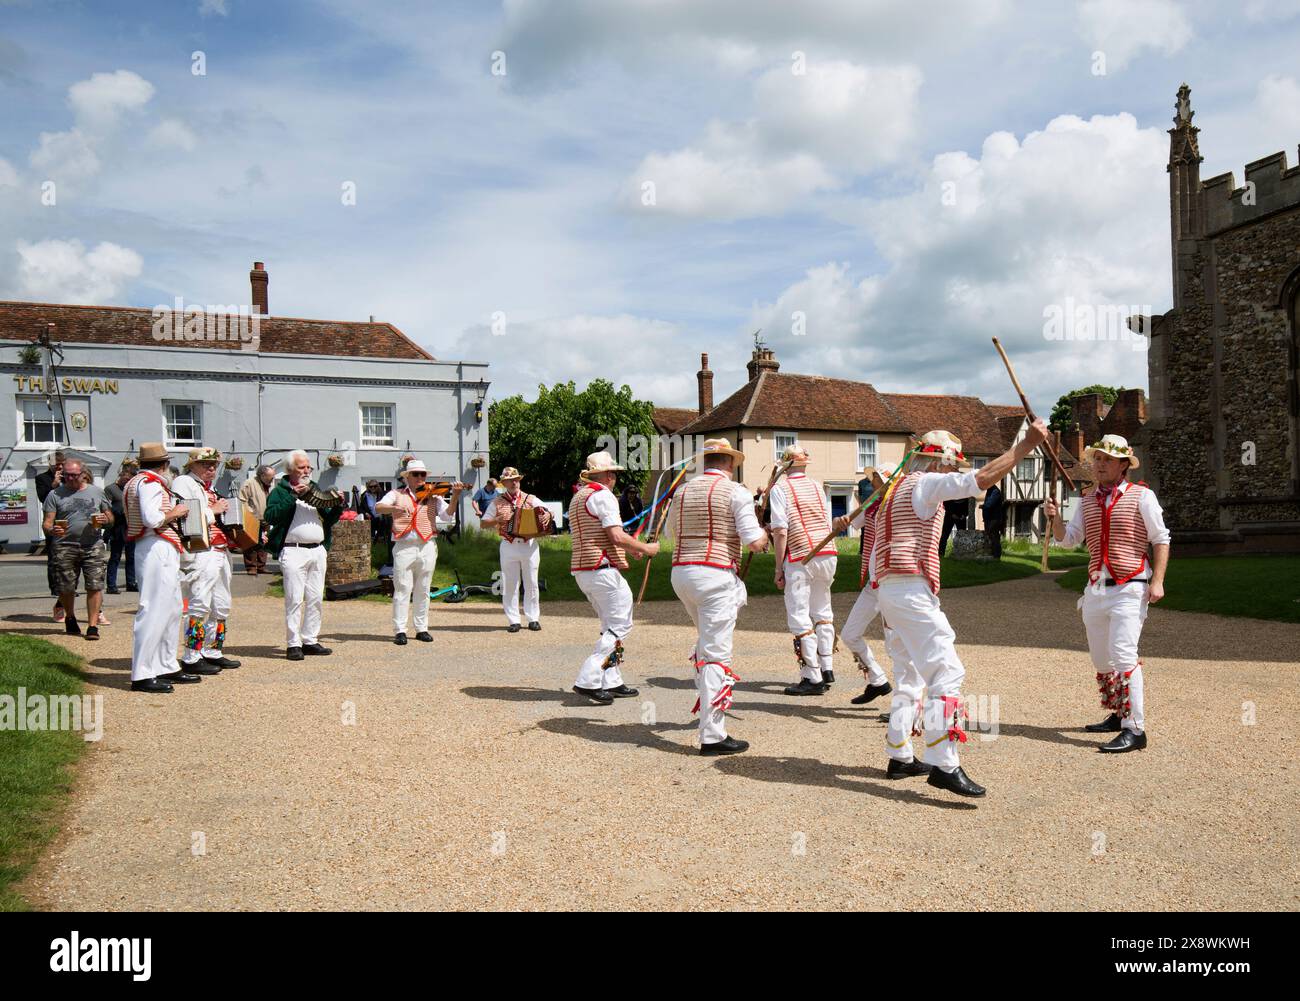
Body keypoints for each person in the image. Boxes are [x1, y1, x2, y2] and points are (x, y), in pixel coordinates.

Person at [872, 422, 1048, 797]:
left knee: (909, 676)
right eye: (952, 467)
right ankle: (943, 762)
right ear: (939, 463)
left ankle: (900, 754)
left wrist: (885, 596)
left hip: (887, 587)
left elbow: (875, 554)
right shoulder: (925, 482)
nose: (953, 474)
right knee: (947, 672)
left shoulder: (893, 491)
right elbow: (981, 480)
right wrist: (1024, 447)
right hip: (909, 588)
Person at [1044, 434, 1169, 754]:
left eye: (1107, 460)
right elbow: (1068, 540)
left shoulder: (1142, 496)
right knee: (1101, 659)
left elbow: (1160, 539)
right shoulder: (1086, 500)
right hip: (1095, 589)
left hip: (1130, 585)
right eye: (1097, 459)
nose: (1099, 465)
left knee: (1124, 654)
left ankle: (1135, 728)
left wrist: (1158, 581)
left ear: (1124, 465)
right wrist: (1054, 518)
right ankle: (1117, 713)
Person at [666, 438, 768, 755]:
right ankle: (712, 734)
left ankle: (708, 710)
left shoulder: (682, 491)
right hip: (714, 574)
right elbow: (752, 540)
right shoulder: (735, 491)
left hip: (681, 572)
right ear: (730, 462)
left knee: (705, 642)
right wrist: (764, 534)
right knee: (715, 653)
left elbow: (671, 532)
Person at [569, 451, 660, 705]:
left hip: (584, 569)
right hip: (601, 570)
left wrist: (632, 549)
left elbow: (602, 535)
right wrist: (645, 548)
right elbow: (617, 536)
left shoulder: (580, 496)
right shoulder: (603, 496)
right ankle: (588, 678)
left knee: (610, 625)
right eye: (614, 474)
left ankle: (612, 678)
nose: (615, 479)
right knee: (620, 626)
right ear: (609, 475)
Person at [125, 443, 199, 692]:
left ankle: (166, 664)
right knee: (154, 608)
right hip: (155, 544)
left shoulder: (138, 481)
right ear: (165, 464)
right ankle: (142, 673)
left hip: (157, 545)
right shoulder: (150, 484)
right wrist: (176, 512)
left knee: (172, 607)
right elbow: (152, 518)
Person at [769, 443, 840, 696]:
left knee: (799, 613)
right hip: (828, 552)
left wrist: (779, 567)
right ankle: (827, 666)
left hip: (801, 555)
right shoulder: (816, 486)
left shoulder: (780, 488)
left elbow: (780, 530)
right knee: (822, 610)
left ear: (785, 465)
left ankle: (812, 675)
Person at [264, 450, 344, 661]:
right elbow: (270, 516)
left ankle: (310, 639)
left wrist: (338, 505)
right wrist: (292, 497)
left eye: (309, 467)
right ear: (290, 470)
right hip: (293, 549)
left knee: (316, 597)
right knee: (294, 598)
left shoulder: (315, 489)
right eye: (302, 467)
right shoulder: (280, 491)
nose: (307, 470)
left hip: (317, 550)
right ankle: (293, 643)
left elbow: (329, 519)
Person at [374, 460, 465, 645]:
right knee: (402, 589)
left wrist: (455, 495)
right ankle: (400, 630)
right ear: (407, 477)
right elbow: (378, 507)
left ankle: (421, 628)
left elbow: (447, 517)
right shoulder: (396, 494)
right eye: (415, 474)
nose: (420, 478)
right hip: (404, 546)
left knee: (423, 589)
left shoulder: (434, 496)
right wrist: (395, 508)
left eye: (423, 474)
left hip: (427, 545)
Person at [173, 448, 241, 673]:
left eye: (214, 465)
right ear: (191, 465)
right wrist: (214, 510)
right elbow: (188, 517)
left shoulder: (209, 488)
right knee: (199, 602)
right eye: (205, 464)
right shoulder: (183, 482)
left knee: (221, 604)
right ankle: (192, 656)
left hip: (220, 550)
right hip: (203, 551)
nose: (211, 468)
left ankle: (213, 650)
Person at [833, 466, 896, 708]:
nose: (874, 483)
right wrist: (839, 522)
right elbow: (849, 522)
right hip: (873, 584)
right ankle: (877, 680)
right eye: (874, 479)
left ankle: (905, 707)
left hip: (892, 583)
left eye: (879, 479)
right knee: (850, 634)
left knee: (895, 645)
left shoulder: (899, 507)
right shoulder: (870, 505)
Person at [41, 458, 112, 640]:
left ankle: (92, 626)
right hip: (64, 546)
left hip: (93, 545)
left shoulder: (97, 492)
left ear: (83, 474)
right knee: (66, 587)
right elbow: (47, 524)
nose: (71, 478)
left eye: (74, 475)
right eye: (67, 475)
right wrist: (51, 529)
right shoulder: (55, 495)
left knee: (95, 585)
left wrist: (106, 520)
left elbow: (110, 517)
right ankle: (70, 617)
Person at [481, 467, 550, 632]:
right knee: (510, 583)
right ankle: (514, 620)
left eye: (517, 479)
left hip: (529, 544)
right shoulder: (497, 502)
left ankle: (533, 618)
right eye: (510, 480)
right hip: (508, 545)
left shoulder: (530, 498)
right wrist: (496, 520)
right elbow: (483, 524)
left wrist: (548, 515)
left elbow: (547, 511)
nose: (514, 483)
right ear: (504, 483)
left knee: (532, 582)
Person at [35, 450, 66, 620]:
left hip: (68, 523)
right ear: (50, 464)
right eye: (56, 464)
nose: (59, 467)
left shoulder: (69, 477)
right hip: (52, 523)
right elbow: (42, 498)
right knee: (54, 557)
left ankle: (66, 590)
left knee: (69, 557)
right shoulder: (42, 479)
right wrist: (54, 484)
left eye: (62, 464)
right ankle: (55, 588)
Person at [103, 459, 138, 594]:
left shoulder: (128, 490)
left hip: (130, 526)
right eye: (126, 479)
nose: (127, 481)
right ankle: (111, 585)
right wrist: (121, 511)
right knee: (115, 557)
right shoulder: (110, 489)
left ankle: (131, 582)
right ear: (121, 476)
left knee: (131, 557)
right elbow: (107, 507)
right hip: (117, 527)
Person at [237, 464, 276, 575]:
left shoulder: (268, 484)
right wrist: (251, 513)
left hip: (265, 519)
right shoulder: (249, 483)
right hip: (252, 519)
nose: (273, 479)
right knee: (251, 544)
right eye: (270, 477)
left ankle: (261, 566)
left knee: (263, 544)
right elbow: (242, 500)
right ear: (262, 475)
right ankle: (251, 567)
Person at [981, 483, 1004, 558]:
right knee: (991, 536)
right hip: (989, 518)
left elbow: (990, 504)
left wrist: (983, 506)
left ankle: (996, 555)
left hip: (994, 518)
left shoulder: (995, 491)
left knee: (994, 536)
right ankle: (992, 554)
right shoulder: (990, 490)